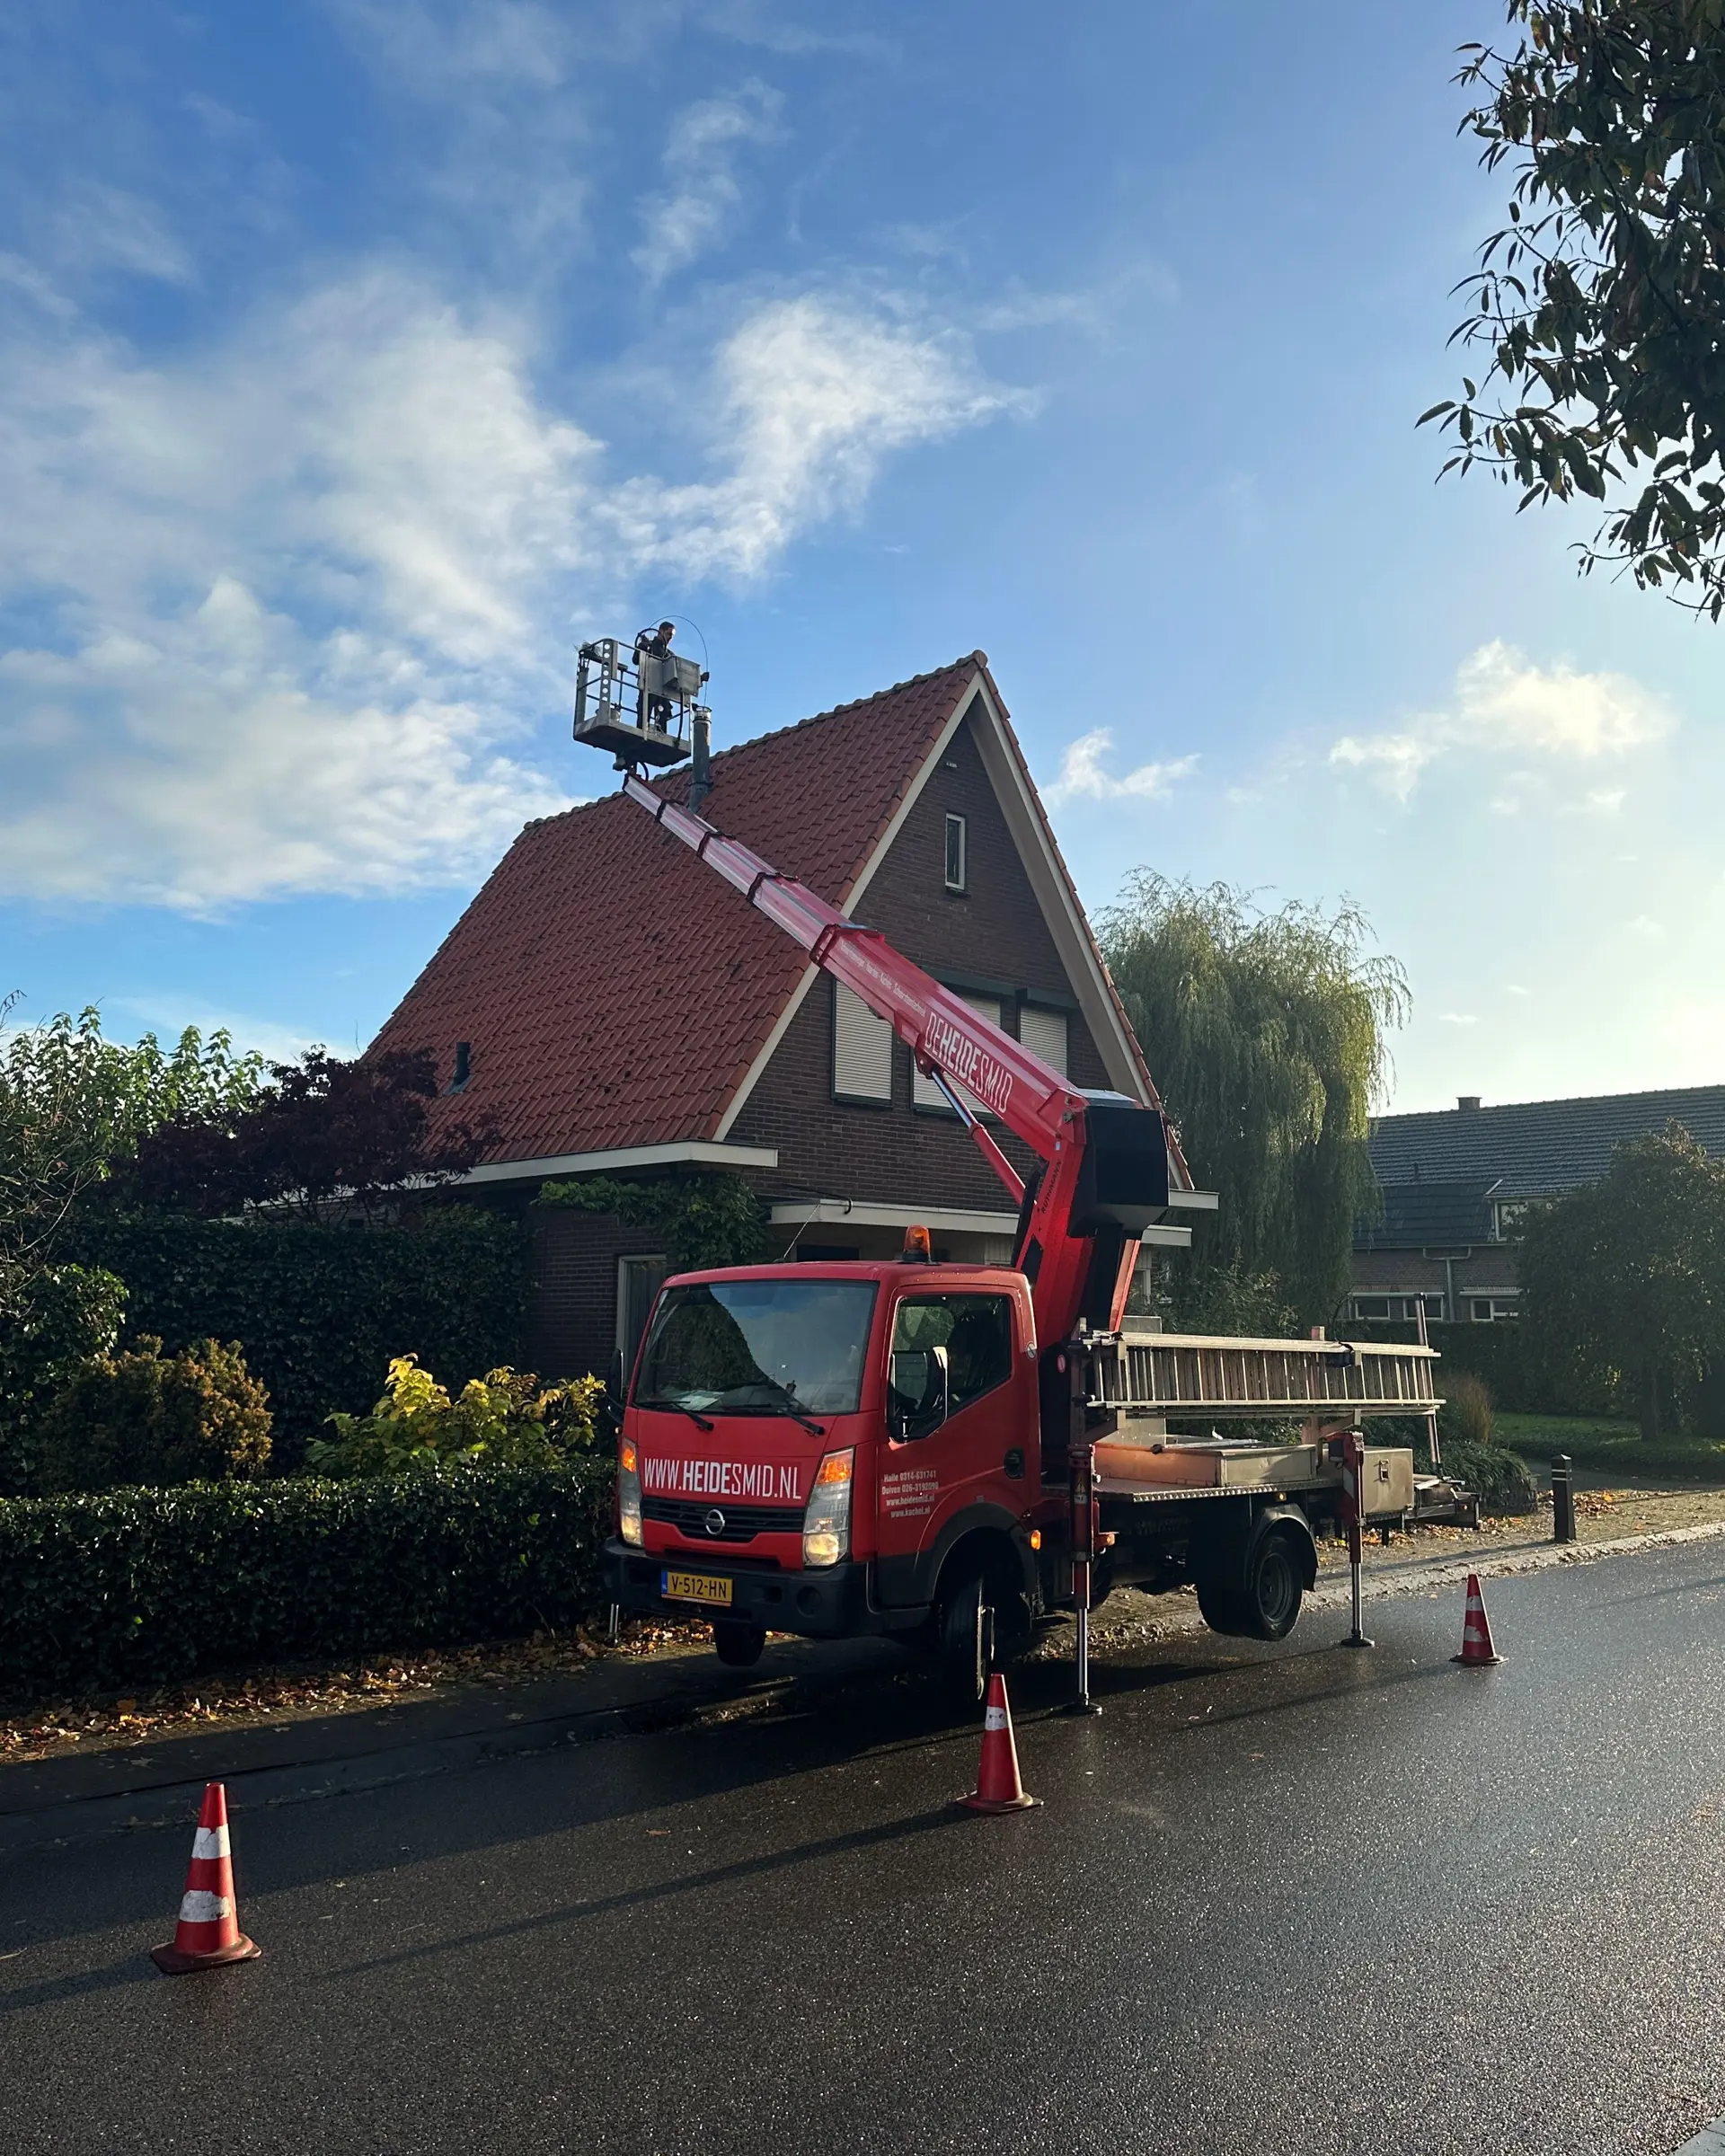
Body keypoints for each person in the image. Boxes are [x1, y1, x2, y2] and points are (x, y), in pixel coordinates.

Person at [633, 621, 677, 732]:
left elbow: (677, 673)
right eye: (669, 635)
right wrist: (642, 648)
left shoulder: (670, 655)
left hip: (663, 692)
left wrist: (699, 678)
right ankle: (641, 733)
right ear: (661, 631)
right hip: (647, 686)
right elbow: (635, 660)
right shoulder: (647, 645)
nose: (670, 638)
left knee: (662, 723)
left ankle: (660, 734)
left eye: (672, 636)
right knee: (643, 717)